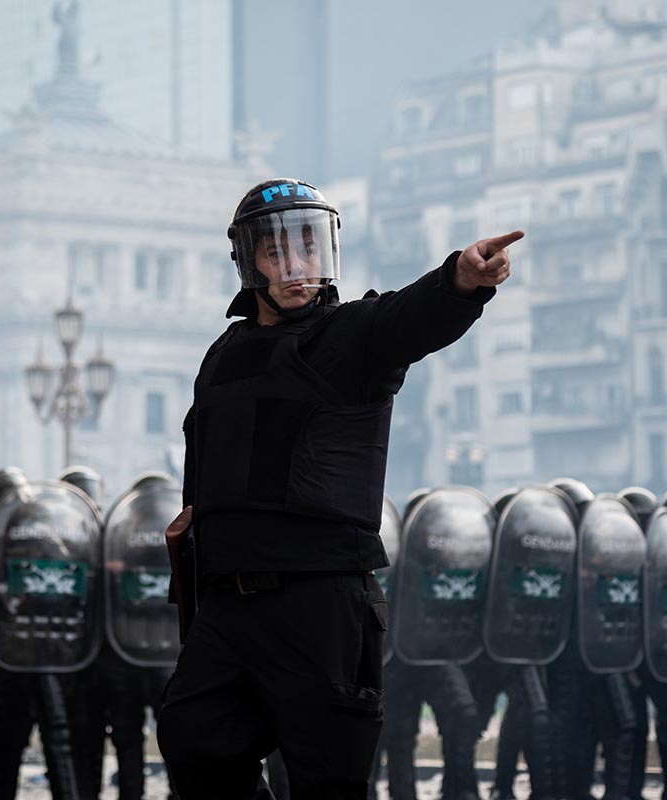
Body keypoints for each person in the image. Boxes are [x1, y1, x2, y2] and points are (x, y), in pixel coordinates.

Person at [157, 178, 520, 798]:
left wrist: (460, 281)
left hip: (320, 604)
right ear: (249, 261)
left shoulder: (353, 336)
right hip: (227, 604)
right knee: (191, 738)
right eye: (276, 251)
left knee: (329, 780)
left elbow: (411, 318)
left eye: (308, 247)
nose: (296, 265)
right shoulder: (222, 353)